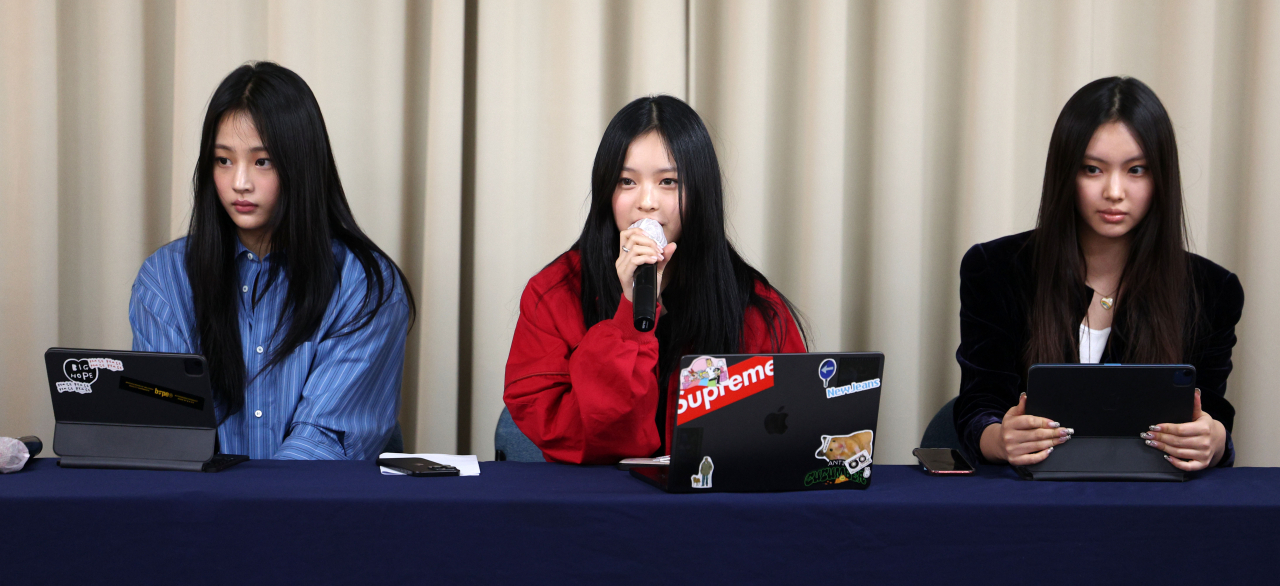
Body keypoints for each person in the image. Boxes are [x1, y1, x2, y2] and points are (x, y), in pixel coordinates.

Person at [953, 77, 1244, 471]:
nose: (1114, 191)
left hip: (1154, 506)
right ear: (1065, 175)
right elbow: (978, 405)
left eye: (1136, 170)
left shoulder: (1213, 290)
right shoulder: (995, 269)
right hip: (1027, 499)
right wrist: (999, 440)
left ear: (1161, 179)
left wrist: (1213, 439)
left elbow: (1209, 411)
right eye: (1092, 169)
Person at [129, 62, 415, 460]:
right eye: (223, 160)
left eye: (262, 161)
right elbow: (170, 435)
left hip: (316, 512)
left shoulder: (365, 285)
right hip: (197, 510)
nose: (239, 182)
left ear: (301, 165)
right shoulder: (164, 278)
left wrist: (251, 512)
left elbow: (323, 444)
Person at [504, 95, 807, 464]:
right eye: (626, 181)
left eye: (668, 181)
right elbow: (580, 435)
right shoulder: (554, 293)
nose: (647, 202)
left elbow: (790, 429)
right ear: (605, 192)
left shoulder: (753, 304)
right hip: (595, 503)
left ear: (700, 193)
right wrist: (629, 315)